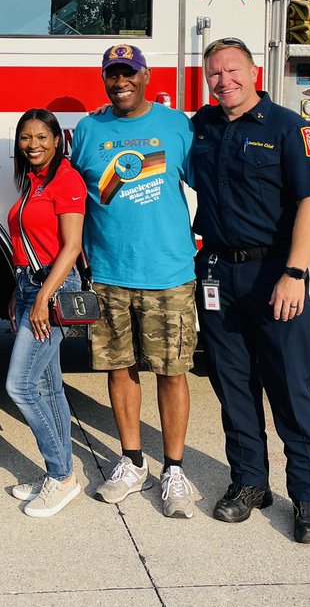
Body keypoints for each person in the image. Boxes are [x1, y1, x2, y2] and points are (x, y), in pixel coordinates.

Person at [189, 37, 310, 544]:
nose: (223, 81)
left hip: (274, 275)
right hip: (217, 274)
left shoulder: (290, 127)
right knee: (233, 387)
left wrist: (295, 273)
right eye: (214, 74)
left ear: (254, 73)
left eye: (232, 71)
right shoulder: (201, 126)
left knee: (290, 388)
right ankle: (249, 482)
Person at [69, 44, 198, 519]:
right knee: (119, 370)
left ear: (146, 76)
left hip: (169, 272)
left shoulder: (176, 125)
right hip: (109, 273)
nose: (120, 82)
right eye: (112, 75)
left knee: (171, 372)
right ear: (104, 79)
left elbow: (211, 184)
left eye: (129, 73)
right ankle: (132, 461)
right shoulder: (88, 130)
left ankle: (175, 469)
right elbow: (73, 196)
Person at [5, 109, 86, 518]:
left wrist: (41, 300)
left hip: (51, 293)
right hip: (29, 288)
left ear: (57, 139)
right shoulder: (35, 182)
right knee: (50, 388)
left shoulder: (67, 180)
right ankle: (62, 470)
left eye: (41, 136)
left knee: (20, 386)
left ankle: (62, 476)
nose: (32, 144)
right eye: (25, 137)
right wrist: (19, 293)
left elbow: (71, 248)